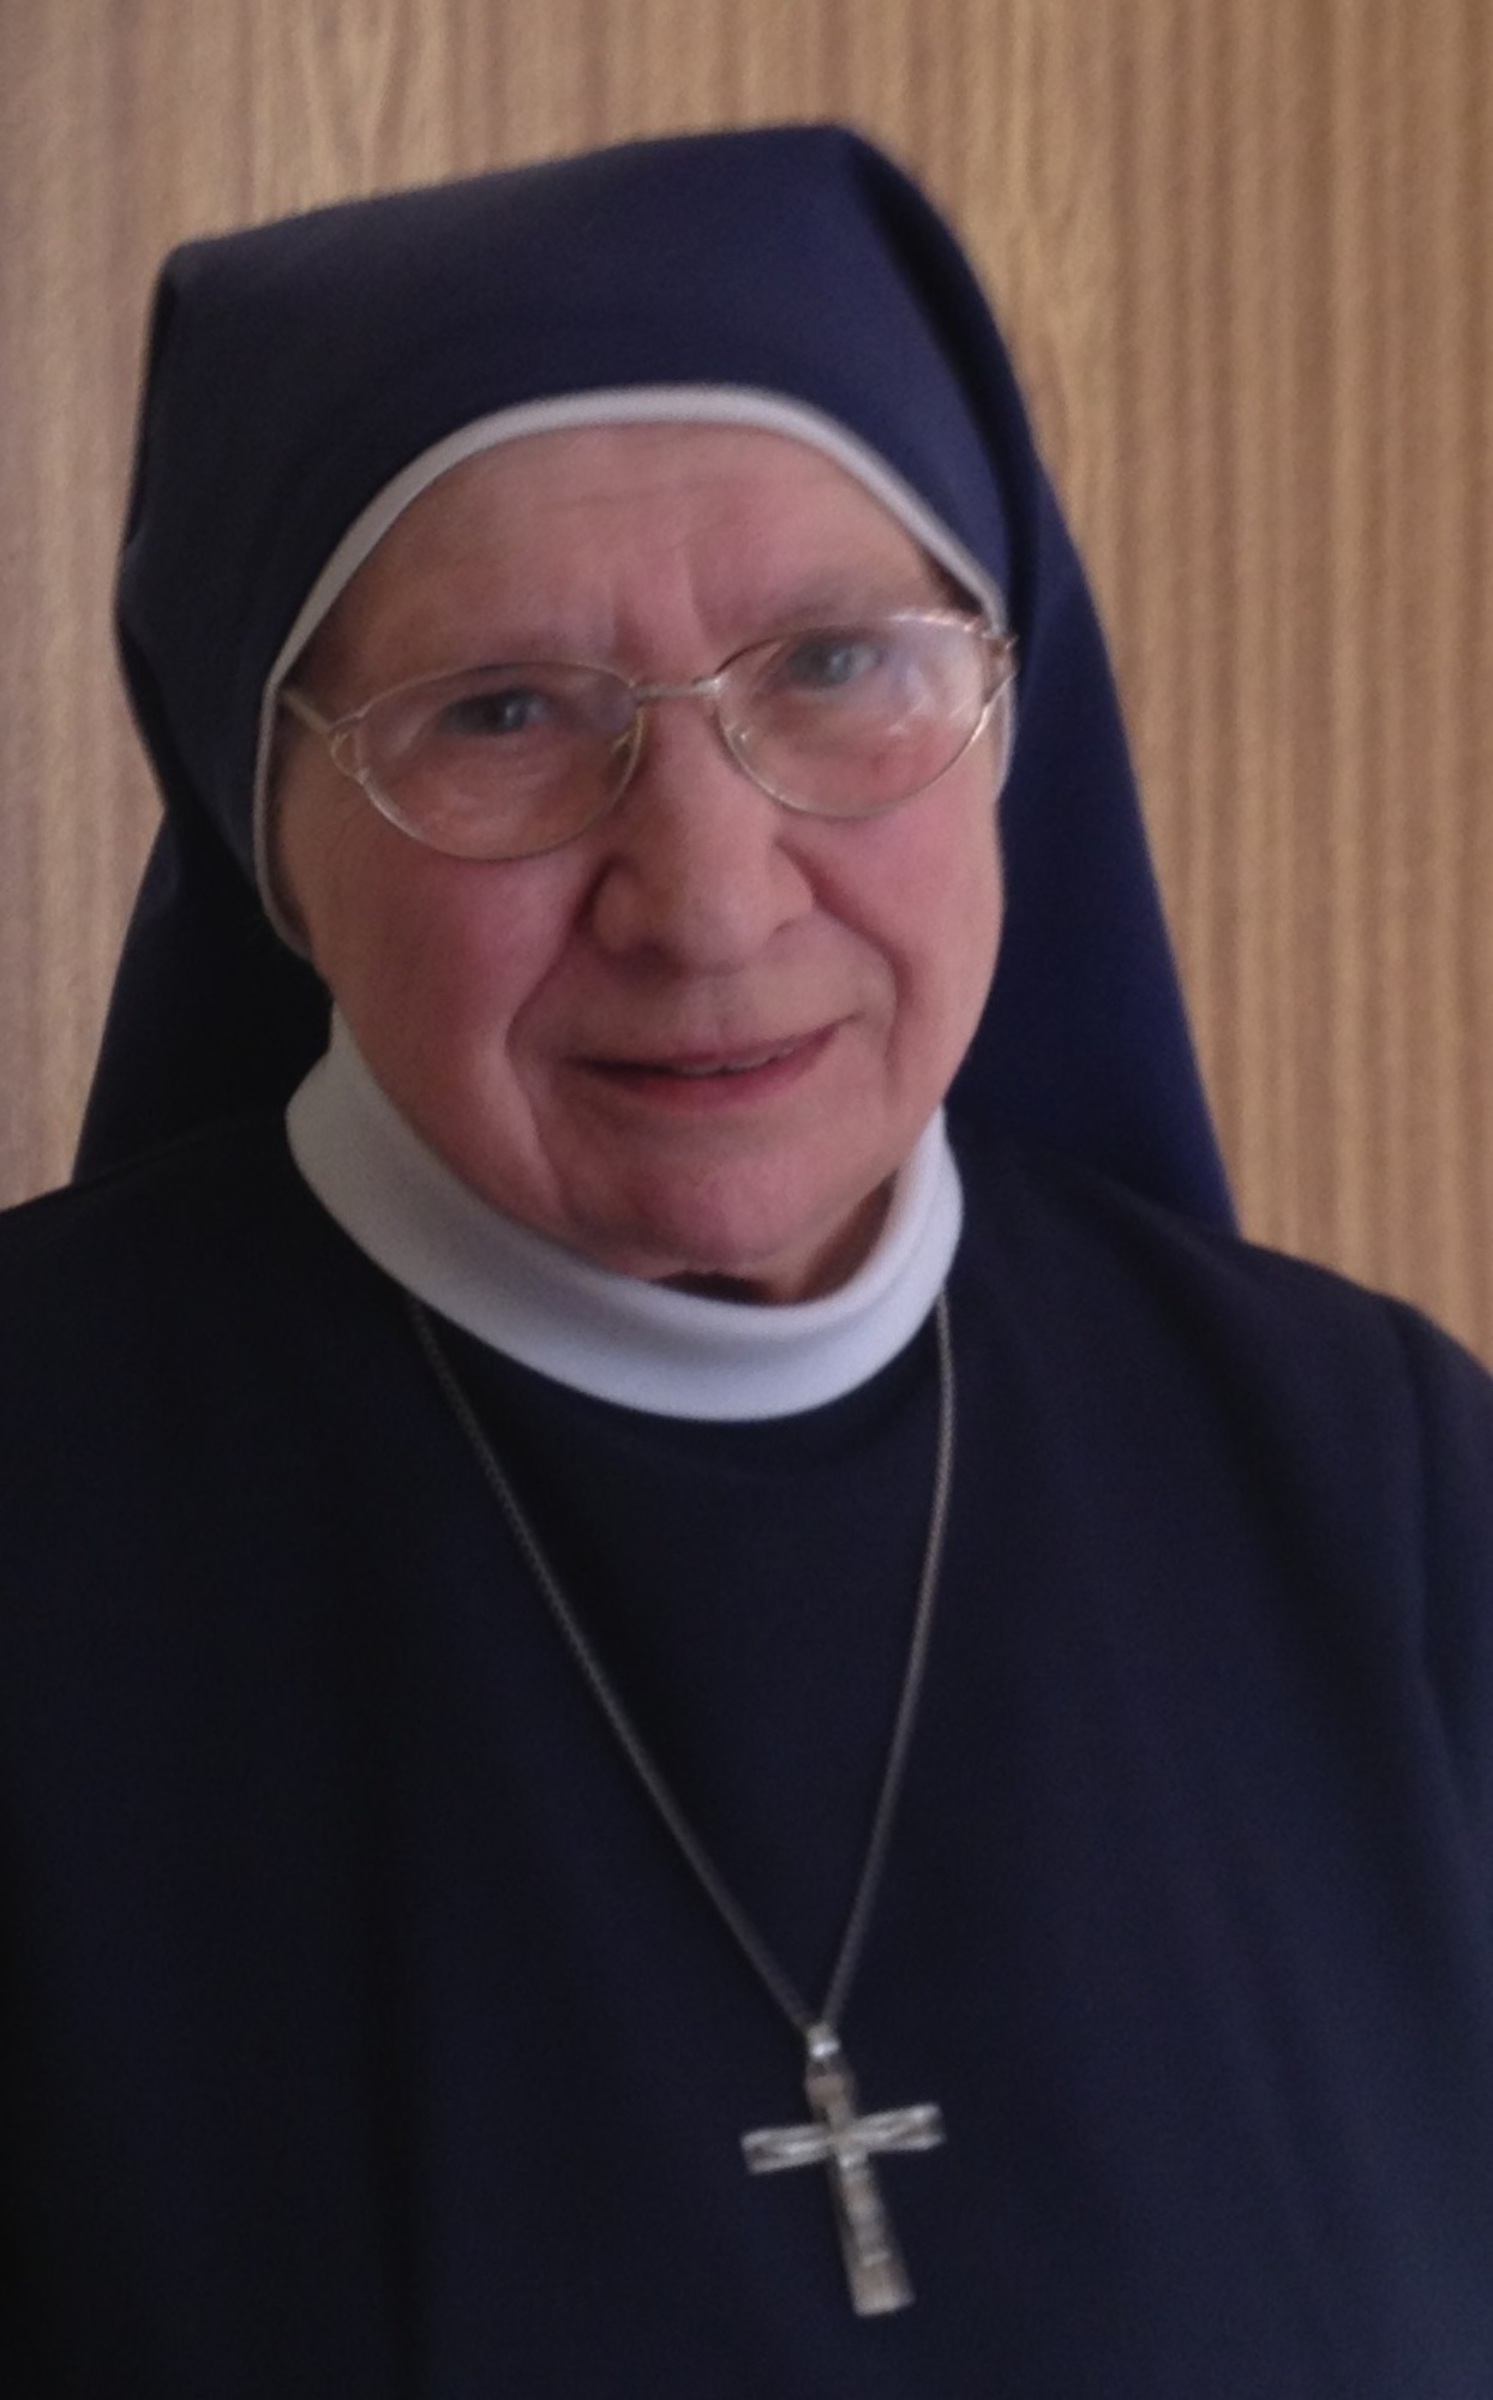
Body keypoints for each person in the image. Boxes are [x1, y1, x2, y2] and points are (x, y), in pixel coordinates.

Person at [2, 123, 1491, 2398]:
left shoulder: (1378, 1477)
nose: (706, 896)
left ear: (1007, 712)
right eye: (502, 710)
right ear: (264, 822)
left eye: (832, 663)